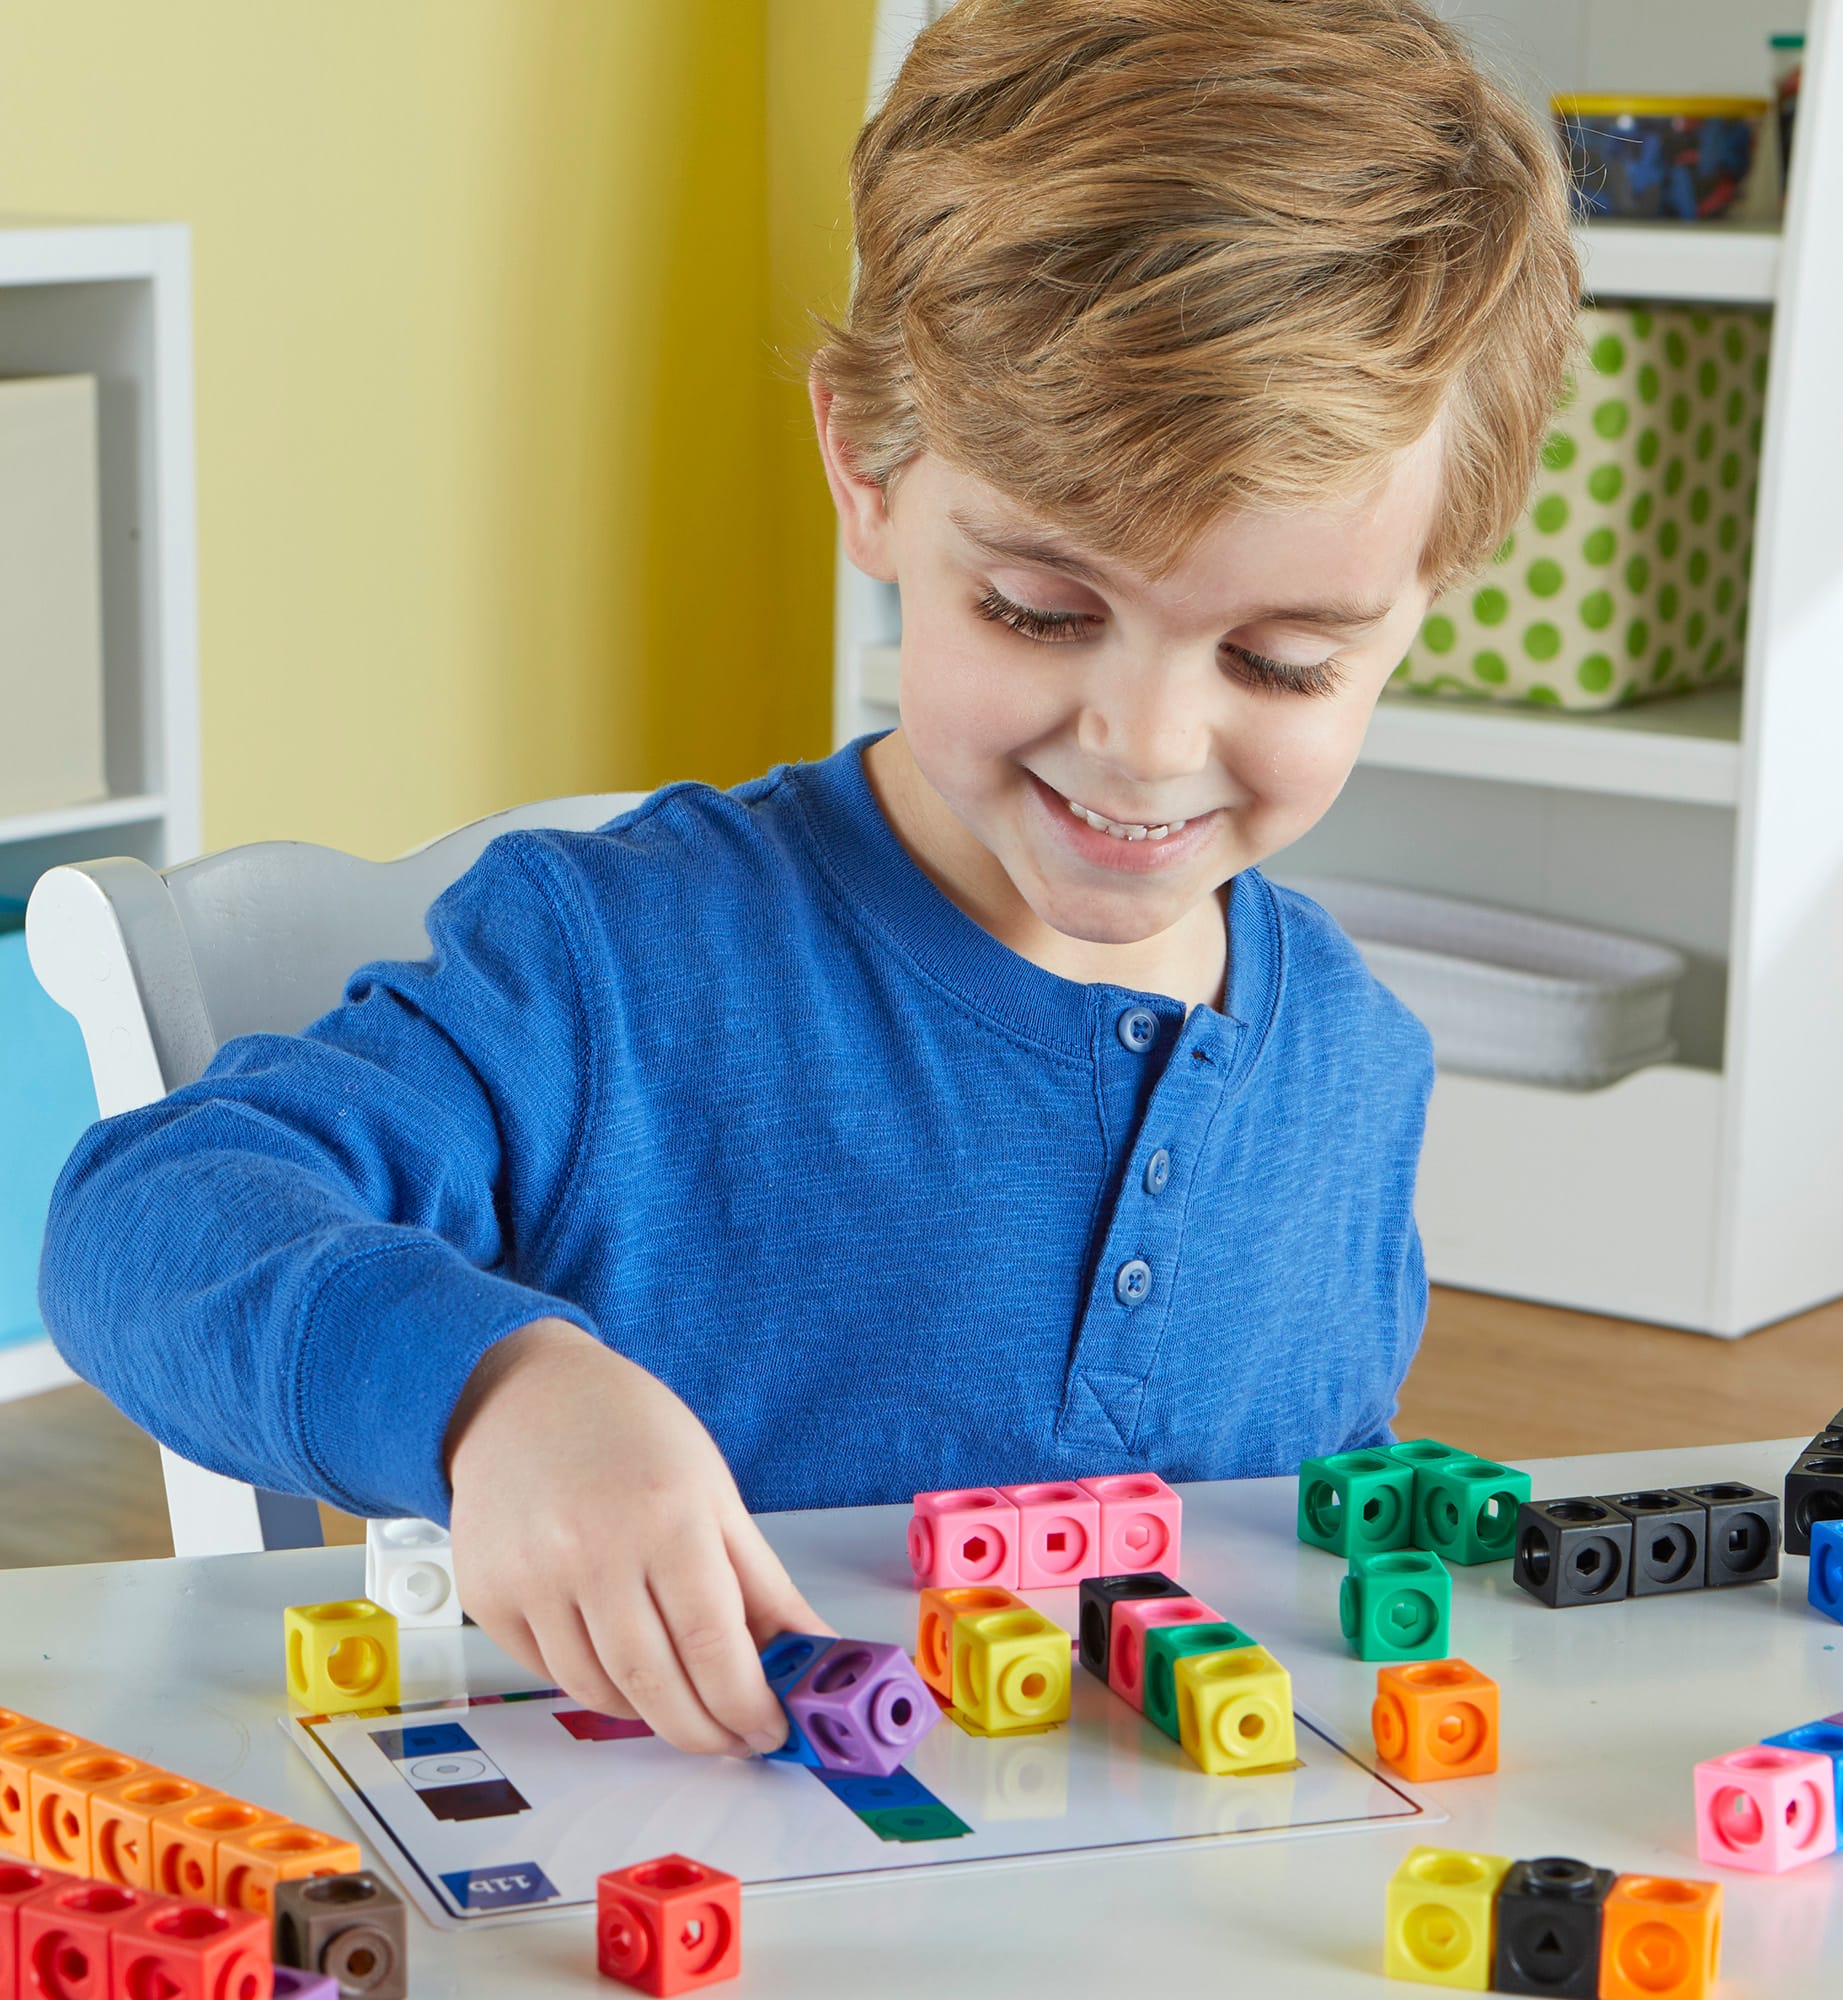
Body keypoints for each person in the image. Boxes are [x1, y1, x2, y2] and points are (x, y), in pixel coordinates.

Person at [39, 0, 1577, 1760]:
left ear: (1432, 589)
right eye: (1040, 611)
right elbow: (142, 1222)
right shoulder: (614, 970)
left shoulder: (1356, 1067)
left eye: (1285, 660)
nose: (1147, 744)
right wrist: (498, 1394)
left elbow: (1314, 1591)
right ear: (869, 469)